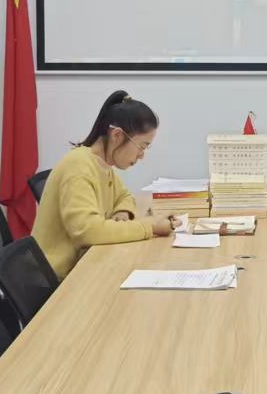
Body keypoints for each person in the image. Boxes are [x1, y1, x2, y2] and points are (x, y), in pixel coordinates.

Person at [32, 91, 174, 278]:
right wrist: (150, 227)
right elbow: (87, 231)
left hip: (83, 265)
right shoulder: (79, 167)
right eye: (142, 146)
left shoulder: (102, 165)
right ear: (117, 135)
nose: (142, 155)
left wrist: (122, 213)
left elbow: (124, 196)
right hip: (56, 279)